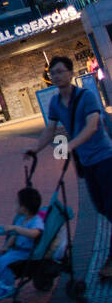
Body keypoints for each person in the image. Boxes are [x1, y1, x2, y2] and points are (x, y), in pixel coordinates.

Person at [29, 55, 112, 280]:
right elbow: (51, 129)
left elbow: (93, 125)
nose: (56, 76)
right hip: (86, 162)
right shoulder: (55, 102)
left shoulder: (86, 97)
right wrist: (36, 149)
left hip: (105, 158)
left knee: (110, 207)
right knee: (101, 208)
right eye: (52, 73)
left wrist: (70, 146)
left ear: (70, 74)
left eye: (60, 71)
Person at [0, 187, 44, 299]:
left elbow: (35, 233)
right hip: (15, 249)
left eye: (17, 203)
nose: (15, 205)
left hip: (26, 252)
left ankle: (8, 285)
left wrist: (17, 228)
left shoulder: (36, 221)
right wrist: (5, 247)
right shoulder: (21, 219)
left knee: (3, 260)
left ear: (24, 208)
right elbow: (14, 236)